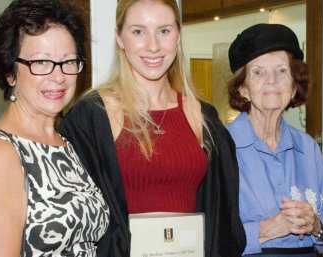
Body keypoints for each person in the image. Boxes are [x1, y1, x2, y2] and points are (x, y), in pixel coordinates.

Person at [59, 0, 246, 256]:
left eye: (164, 30)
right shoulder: (92, 116)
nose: (153, 45)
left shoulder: (203, 117)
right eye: (138, 31)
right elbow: (73, 219)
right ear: (119, 37)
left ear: (178, 35)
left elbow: (224, 221)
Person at [0, 0, 110, 256]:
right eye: (41, 62)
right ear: (10, 73)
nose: (59, 76)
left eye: (68, 61)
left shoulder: (65, 144)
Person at [227, 23, 323, 256]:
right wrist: (268, 229)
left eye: (281, 71)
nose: (272, 80)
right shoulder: (221, 146)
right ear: (243, 89)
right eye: (258, 72)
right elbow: (206, 235)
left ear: (293, 88)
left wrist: (316, 225)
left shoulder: (308, 148)